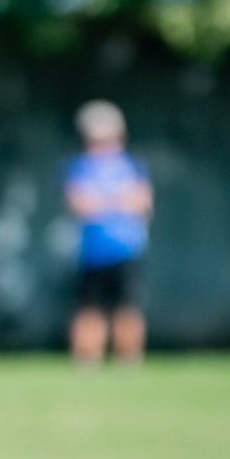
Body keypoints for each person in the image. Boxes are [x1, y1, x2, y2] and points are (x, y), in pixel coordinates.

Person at [65, 99, 152, 365]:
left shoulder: (132, 165)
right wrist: (117, 201)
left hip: (127, 249)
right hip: (93, 252)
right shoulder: (80, 167)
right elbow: (80, 204)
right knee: (90, 310)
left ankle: (128, 362)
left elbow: (142, 201)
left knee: (128, 309)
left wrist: (104, 202)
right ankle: (87, 362)